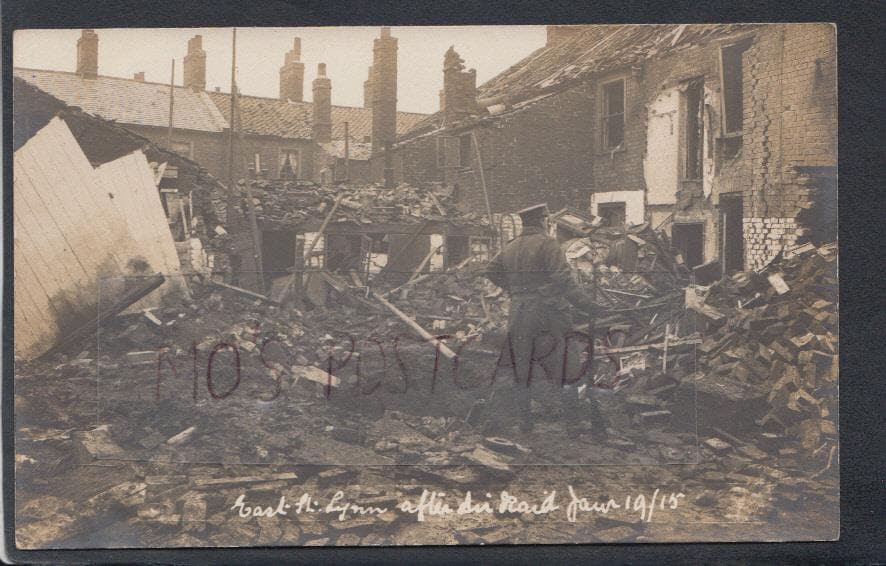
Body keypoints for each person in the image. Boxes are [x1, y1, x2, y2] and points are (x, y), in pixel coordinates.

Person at [484, 203, 607, 439]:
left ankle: (525, 424)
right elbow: (564, 281)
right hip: (548, 316)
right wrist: (589, 306)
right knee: (567, 366)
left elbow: (491, 270)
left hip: (519, 315)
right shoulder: (548, 243)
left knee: (523, 369)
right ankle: (572, 425)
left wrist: (516, 291)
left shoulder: (511, 246)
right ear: (543, 220)